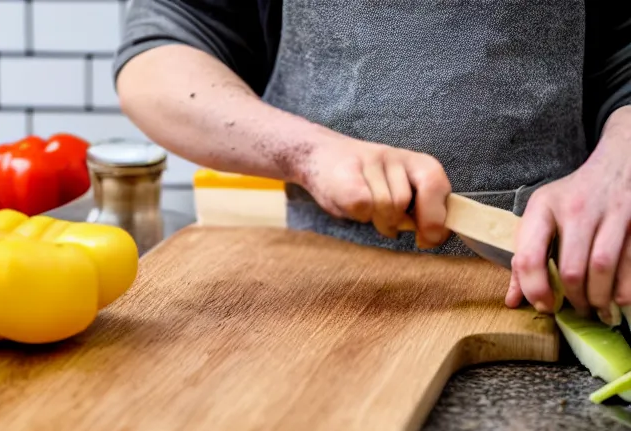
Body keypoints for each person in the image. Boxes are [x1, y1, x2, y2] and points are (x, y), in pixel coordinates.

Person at [114, 1, 631, 323]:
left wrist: (619, 164)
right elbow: (161, 50)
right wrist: (309, 152)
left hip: (568, 293)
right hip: (320, 304)